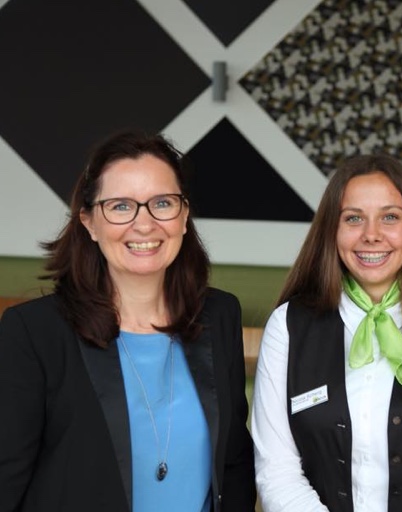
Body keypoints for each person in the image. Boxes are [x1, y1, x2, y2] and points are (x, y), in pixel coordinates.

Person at [0, 131, 256, 512]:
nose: (145, 224)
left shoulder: (220, 316)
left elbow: (234, 464)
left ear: (184, 216)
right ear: (89, 222)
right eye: (121, 206)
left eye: (162, 203)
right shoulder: (34, 332)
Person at [251, 153, 402, 511]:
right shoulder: (287, 326)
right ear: (332, 230)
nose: (371, 235)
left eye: (390, 217)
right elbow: (277, 470)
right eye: (353, 218)